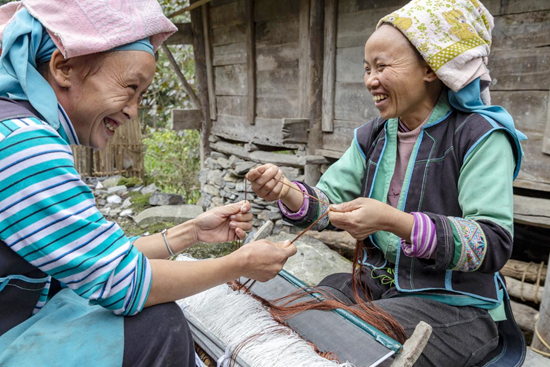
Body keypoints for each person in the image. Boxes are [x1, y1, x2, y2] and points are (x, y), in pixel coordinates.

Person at [0, 1, 296, 366]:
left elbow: (96, 260)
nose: (133, 111)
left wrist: (191, 233)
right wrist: (238, 264)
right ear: (63, 67)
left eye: (141, 96)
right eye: (130, 87)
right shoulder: (23, 147)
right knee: (157, 325)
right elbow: (122, 282)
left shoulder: (12, 126)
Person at [247, 0, 526, 366]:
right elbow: (327, 202)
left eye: (382, 67)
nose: (370, 80)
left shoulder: (481, 137)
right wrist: (286, 191)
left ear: (430, 67)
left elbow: (491, 243)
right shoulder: (374, 135)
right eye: (366, 69)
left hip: (457, 307)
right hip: (380, 286)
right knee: (296, 313)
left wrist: (394, 221)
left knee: (347, 338)